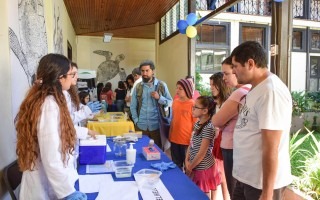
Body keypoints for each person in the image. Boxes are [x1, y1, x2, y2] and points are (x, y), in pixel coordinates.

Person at [15, 54, 86, 200]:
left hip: (50, 181)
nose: (73, 77)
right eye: (70, 74)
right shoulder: (49, 105)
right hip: (45, 188)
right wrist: (67, 192)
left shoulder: (50, 99)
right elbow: (51, 156)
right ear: (60, 77)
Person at [231, 41, 292, 200]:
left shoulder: (270, 92)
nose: (233, 71)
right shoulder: (257, 88)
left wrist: (267, 193)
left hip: (260, 184)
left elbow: (271, 147)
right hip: (247, 178)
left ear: (250, 63)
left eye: (235, 66)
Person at [211, 56, 251, 198]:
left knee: (233, 189)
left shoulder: (239, 93)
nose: (223, 78)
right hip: (239, 147)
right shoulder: (250, 90)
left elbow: (216, 121)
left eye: (226, 73)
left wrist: (221, 121)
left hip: (232, 147)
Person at [130, 60, 172, 148]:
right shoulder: (138, 87)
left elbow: (170, 102)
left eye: (147, 70)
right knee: (140, 151)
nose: (144, 73)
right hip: (141, 126)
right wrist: (136, 120)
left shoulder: (161, 85)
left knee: (157, 152)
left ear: (152, 71)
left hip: (156, 127)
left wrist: (159, 98)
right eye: (142, 71)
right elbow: (133, 106)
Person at [185, 96, 221, 200]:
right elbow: (191, 144)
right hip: (193, 164)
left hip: (202, 168)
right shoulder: (197, 123)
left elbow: (202, 153)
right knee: (194, 192)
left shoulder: (208, 128)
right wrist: (187, 160)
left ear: (205, 111)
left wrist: (190, 166)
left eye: (195, 107)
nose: (193, 109)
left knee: (202, 195)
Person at [210, 72, 232, 200]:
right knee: (218, 175)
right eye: (211, 85)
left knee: (224, 177)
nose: (211, 87)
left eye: (214, 85)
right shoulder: (214, 104)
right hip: (215, 143)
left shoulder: (228, 103)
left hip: (225, 144)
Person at [169, 79, 197, 169]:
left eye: (180, 89)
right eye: (177, 88)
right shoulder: (175, 102)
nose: (177, 91)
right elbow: (173, 120)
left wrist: (192, 140)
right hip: (174, 139)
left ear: (187, 89)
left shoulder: (193, 104)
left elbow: (195, 124)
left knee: (188, 166)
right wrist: (170, 134)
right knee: (176, 165)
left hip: (187, 141)